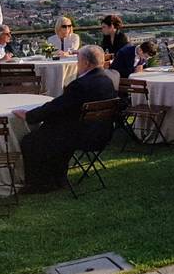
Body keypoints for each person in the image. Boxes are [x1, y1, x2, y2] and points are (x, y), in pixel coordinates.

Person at [12, 46, 117, 193]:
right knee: (51, 132)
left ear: (86, 63)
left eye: (78, 60)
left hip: (81, 135)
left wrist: (30, 115)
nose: (77, 64)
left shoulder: (81, 85)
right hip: (101, 132)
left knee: (30, 141)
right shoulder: (107, 80)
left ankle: (40, 184)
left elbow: (57, 106)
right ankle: (58, 177)